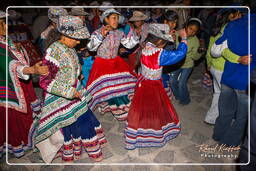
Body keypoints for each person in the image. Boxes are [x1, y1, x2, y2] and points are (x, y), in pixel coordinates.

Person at [35, 16, 107, 163]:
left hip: (75, 92)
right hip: (61, 97)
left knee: (80, 120)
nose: (79, 41)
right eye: (76, 38)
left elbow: (69, 67)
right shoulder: (53, 52)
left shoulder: (69, 47)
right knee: (75, 122)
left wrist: (78, 75)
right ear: (64, 35)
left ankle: (84, 150)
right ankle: (91, 152)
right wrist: (68, 92)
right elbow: (44, 81)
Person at [125, 24, 188, 150]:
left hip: (143, 84)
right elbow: (179, 54)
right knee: (156, 109)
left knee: (142, 108)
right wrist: (184, 39)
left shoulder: (146, 46)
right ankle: (153, 133)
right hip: (153, 86)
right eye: (164, 42)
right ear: (159, 41)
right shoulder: (160, 54)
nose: (165, 45)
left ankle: (138, 132)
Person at [0, 10, 48, 158]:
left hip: (17, 81)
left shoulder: (5, 40)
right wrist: (31, 69)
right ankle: (17, 142)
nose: (6, 27)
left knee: (25, 112)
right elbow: (9, 64)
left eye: (5, 23)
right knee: (13, 117)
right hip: (8, 86)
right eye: (2, 24)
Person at [86, 8, 139, 121]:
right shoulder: (97, 32)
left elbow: (129, 45)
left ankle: (121, 107)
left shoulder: (119, 32)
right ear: (106, 19)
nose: (116, 21)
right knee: (108, 88)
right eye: (113, 18)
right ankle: (118, 108)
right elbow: (91, 47)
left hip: (115, 62)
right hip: (102, 64)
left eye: (117, 18)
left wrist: (133, 34)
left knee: (119, 86)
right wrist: (101, 36)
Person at [211, 13, 255, 147]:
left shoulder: (232, 25)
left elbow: (216, 50)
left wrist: (236, 57)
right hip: (247, 82)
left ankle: (218, 135)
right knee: (242, 117)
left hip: (228, 77)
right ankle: (229, 143)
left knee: (225, 111)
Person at [204, 8, 243, 125]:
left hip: (215, 67)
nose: (241, 17)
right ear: (231, 16)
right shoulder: (231, 29)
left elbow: (210, 48)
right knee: (227, 97)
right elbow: (224, 50)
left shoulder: (218, 28)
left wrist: (209, 63)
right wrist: (239, 59)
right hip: (223, 68)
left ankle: (210, 118)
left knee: (218, 93)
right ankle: (224, 119)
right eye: (239, 15)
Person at [169, 18, 203, 105]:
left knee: (181, 83)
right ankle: (178, 96)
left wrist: (199, 52)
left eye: (194, 31)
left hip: (187, 65)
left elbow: (195, 58)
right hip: (176, 63)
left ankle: (185, 100)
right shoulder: (177, 34)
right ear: (186, 26)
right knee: (172, 81)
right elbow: (172, 47)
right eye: (190, 28)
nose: (191, 32)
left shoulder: (195, 41)